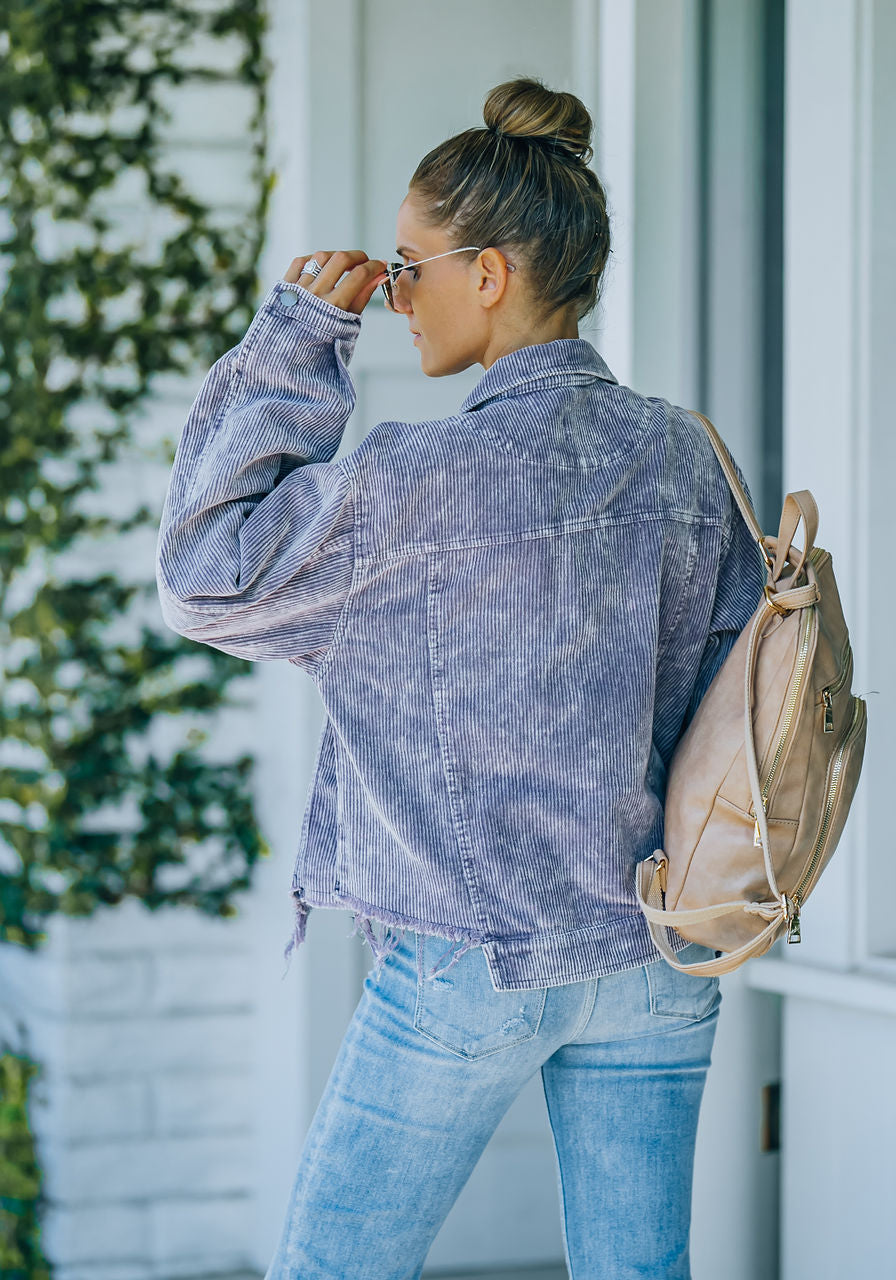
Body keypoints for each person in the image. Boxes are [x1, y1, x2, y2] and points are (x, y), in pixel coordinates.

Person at [156, 76, 763, 1280]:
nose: (392, 295)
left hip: (469, 958)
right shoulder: (684, 456)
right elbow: (725, 697)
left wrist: (295, 339)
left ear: (487, 274)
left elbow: (201, 578)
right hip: (653, 946)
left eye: (406, 266)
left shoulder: (413, 481)